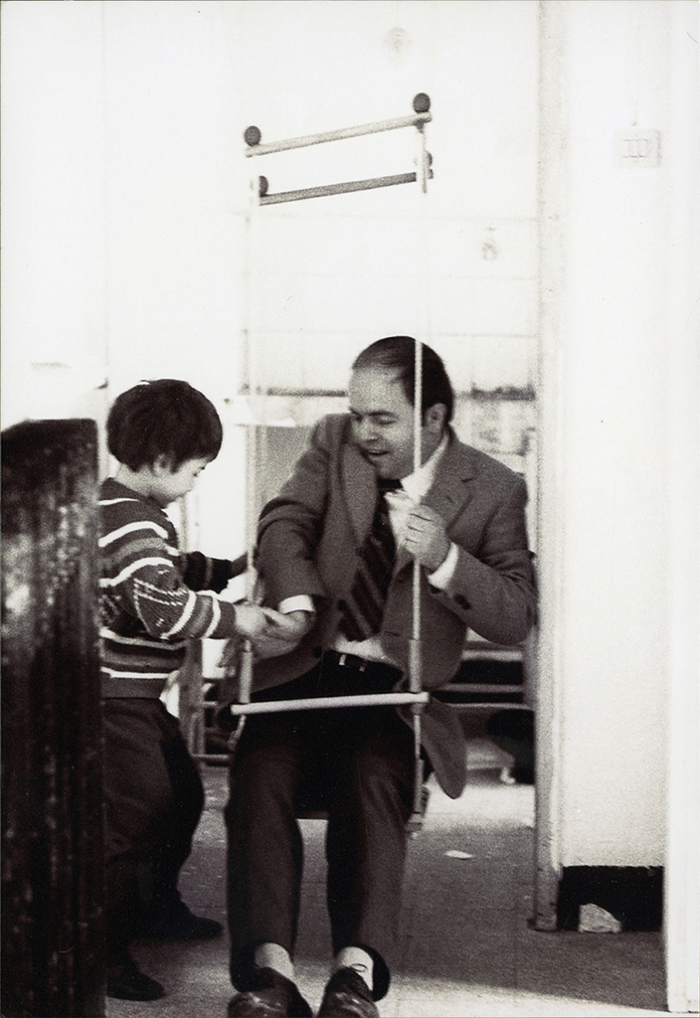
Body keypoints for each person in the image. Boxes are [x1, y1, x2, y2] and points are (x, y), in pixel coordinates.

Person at [223, 337, 537, 1018]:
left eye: (383, 419)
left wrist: (446, 558)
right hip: (302, 670)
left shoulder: (492, 488)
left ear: (434, 417)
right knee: (259, 774)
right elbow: (283, 522)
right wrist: (299, 598)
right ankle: (267, 977)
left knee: (373, 781)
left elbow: (515, 614)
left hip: (393, 695)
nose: (363, 431)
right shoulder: (333, 442)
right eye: (356, 413)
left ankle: (354, 979)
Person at [100, 378, 285, 1002]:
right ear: (159, 462)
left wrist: (232, 569)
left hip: (133, 695)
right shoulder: (131, 529)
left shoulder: (131, 514)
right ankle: (102, 948)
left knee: (180, 797)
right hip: (111, 698)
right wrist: (241, 618)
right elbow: (165, 609)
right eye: (197, 470)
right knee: (137, 813)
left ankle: (155, 907)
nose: (197, 481)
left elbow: (173, 572)